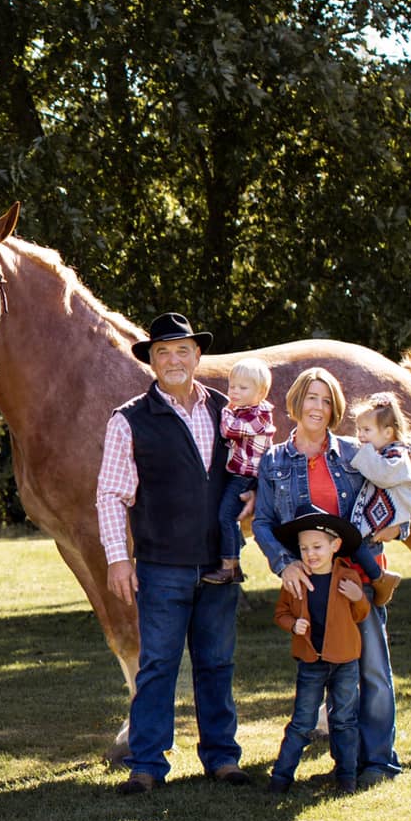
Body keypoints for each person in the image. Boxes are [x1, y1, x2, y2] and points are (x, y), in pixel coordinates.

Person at [97, 313, 252, 793]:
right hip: (161, 566)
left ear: (198, 357)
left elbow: (251, 468)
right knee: (158, 665)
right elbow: (110, 494)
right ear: (151, 362)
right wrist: (118, 558)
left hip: (219, 562)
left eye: (182, 350)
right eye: (162, 352)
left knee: (217, 663)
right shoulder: (129, 420)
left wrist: (255, 495)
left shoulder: (229, 413)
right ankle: (146, 765)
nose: (174, 360)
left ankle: (222, 759)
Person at [252, 367, 407, 787]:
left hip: (356, 579)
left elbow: (398, 493)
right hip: (310, 587)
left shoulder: (357, 454)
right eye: (311, 398)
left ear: (334, 408)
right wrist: (285, 563)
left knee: (372, 669)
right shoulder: (274, 461)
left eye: (326, 400)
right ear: (297, 402)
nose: (317, 407)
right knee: (324, 668)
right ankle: (346, 761)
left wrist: (400, 529)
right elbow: (263, 521)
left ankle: (377, 761)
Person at [268, 511, 374, 794]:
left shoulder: (348, 577)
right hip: (311, 661)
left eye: (317, 547)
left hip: (345, 660)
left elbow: (361, 614)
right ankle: (281, 777)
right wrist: (294, 624)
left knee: (344, 720)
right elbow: (281, 613)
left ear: (335, 546)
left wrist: (358, 597)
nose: (310, 554)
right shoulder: (296, 579)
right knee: (302, 721)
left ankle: (346, 777)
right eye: (304, 549)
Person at [202, 356, 275, 586]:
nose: (234, 392)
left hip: (246, 477)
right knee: (221, 511)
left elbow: (229, 430)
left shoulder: (257, 416)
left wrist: (224, 410)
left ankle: (230, 565)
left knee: (226, 515)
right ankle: (232, 547)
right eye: (232, 386)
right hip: (239, 474)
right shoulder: (244, 411)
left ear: (261, 392)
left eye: (243, 388)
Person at [347, 391, 411, 606]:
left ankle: (381, 578)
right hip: (375, 526)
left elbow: (382, 476)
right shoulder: (381, 454)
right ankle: (377, 580)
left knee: (357, 545)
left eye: (367, 430)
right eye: (358, 429)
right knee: (355, 547)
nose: (360, 436)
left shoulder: (396, 456)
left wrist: (362, 453)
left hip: (377, 528)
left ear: (388, 432)